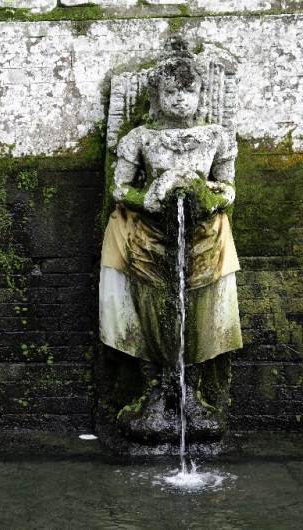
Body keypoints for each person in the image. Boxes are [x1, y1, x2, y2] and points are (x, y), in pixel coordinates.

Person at [99, 36, 242, 441]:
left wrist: (207, 195)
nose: (181, 99)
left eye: (189, 90)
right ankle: (153, 391)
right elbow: (119, 189)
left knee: (197, 310)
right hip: (146, 237)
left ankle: (190, 392)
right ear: (158, 95)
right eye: (172, 91)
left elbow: (228, 189)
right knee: (147, 312)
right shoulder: (140, 138)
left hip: (201, 238)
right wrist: (149, 196)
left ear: (201, 94)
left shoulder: (216, 137)